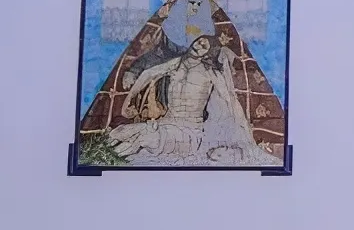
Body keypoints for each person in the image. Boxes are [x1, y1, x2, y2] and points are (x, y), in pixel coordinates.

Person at [106, 32, 277, 167]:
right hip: (165, 124)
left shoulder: (210, 73)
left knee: (141, 139)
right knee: (122, 132)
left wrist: (244, 130)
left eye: (205, 46)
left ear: (206, 54)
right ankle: (105, 154)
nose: (200, 45)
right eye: (199, 41)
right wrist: (127, 103)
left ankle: (107, 158)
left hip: (188, 133)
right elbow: (148, 73)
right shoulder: (177, 63)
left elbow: (230, 100)